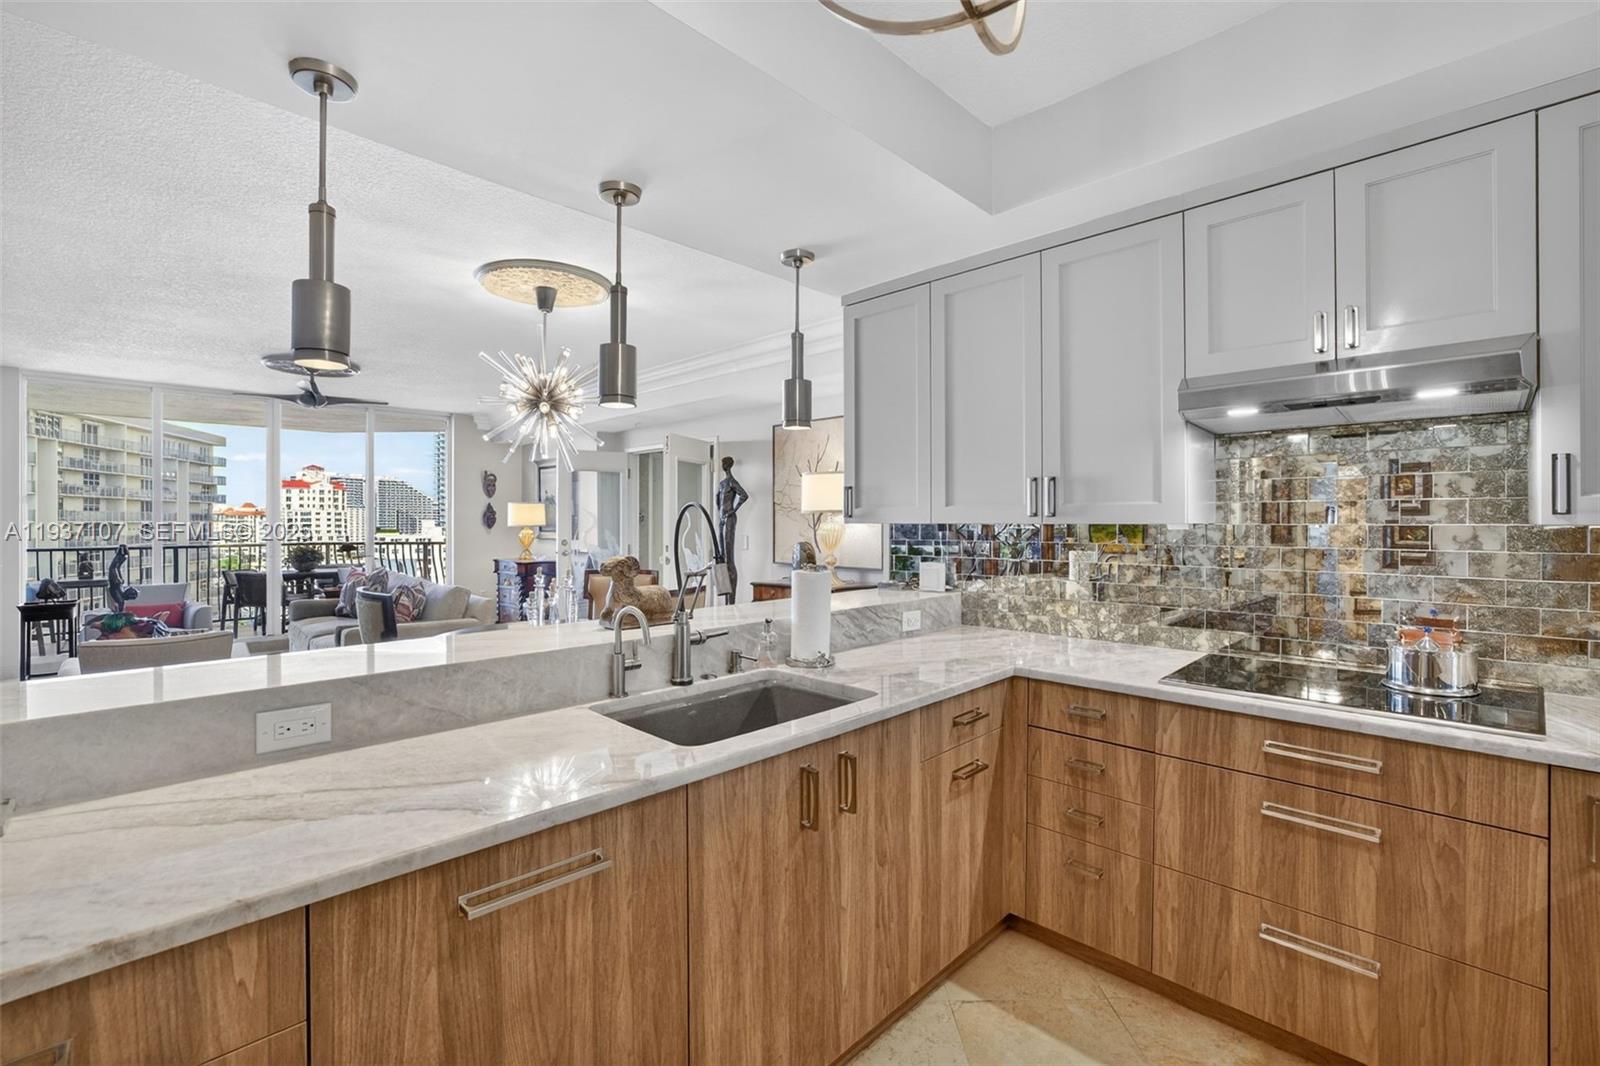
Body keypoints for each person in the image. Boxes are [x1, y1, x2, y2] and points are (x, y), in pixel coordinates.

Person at [714, 455, 749, 604]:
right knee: (721, 559)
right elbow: (718, 501)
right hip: (722, 520)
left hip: (729, 519)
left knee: (729, 559)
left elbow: (744, 495)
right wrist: (720, 513)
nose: (722, 465)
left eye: (724, 463)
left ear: (728, 465)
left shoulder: (732, 482)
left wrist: (733, 510)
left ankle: (731, 601)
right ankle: (725, 598)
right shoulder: (722, 484)